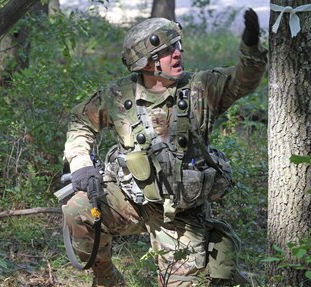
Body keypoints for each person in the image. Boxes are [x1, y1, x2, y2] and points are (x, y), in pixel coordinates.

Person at [63, 8, 267, 287]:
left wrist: (251, 46)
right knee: (78, 209)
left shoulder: (201, 88)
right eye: (168, 51)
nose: (178, 54)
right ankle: (105, 274)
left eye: (178, 47)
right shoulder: (118, 94)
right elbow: (80, 121)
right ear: (145, 62)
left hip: (178, 211)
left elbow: (245, 80)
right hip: (129, 199)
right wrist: (81, 163)